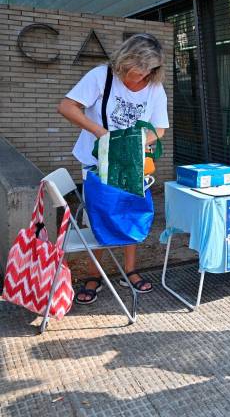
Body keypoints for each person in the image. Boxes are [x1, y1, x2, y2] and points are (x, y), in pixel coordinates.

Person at [58, 33, 168, 305]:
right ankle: (95, 275)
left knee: (129, 212)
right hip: (97, 163)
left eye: (145, 73)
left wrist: (134, 142)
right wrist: (101, 133)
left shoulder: (155, 87)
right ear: (123, 61)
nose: (138, 79)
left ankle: (129, 271)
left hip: (131, 162)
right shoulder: (100, 76)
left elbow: (160, 128)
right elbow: (67, 106)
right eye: (134, 72)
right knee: (99, 216)